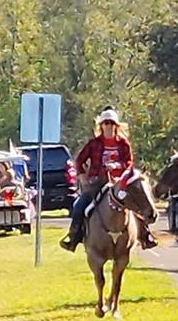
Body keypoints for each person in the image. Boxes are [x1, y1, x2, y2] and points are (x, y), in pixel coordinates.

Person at [60, 107, 154, 251]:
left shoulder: (123, 143)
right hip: (98, 182)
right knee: (79, 205)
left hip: (121, 181)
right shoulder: (94, 144)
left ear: (116, 126)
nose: (109, 126)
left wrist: (117, 165)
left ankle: (146, 236)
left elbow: (129, 162)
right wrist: (82, 176)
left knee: (137, 202)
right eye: (106, 123)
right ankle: (73, 237)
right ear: (101, 126)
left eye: (111, 123)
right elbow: (79, 160)